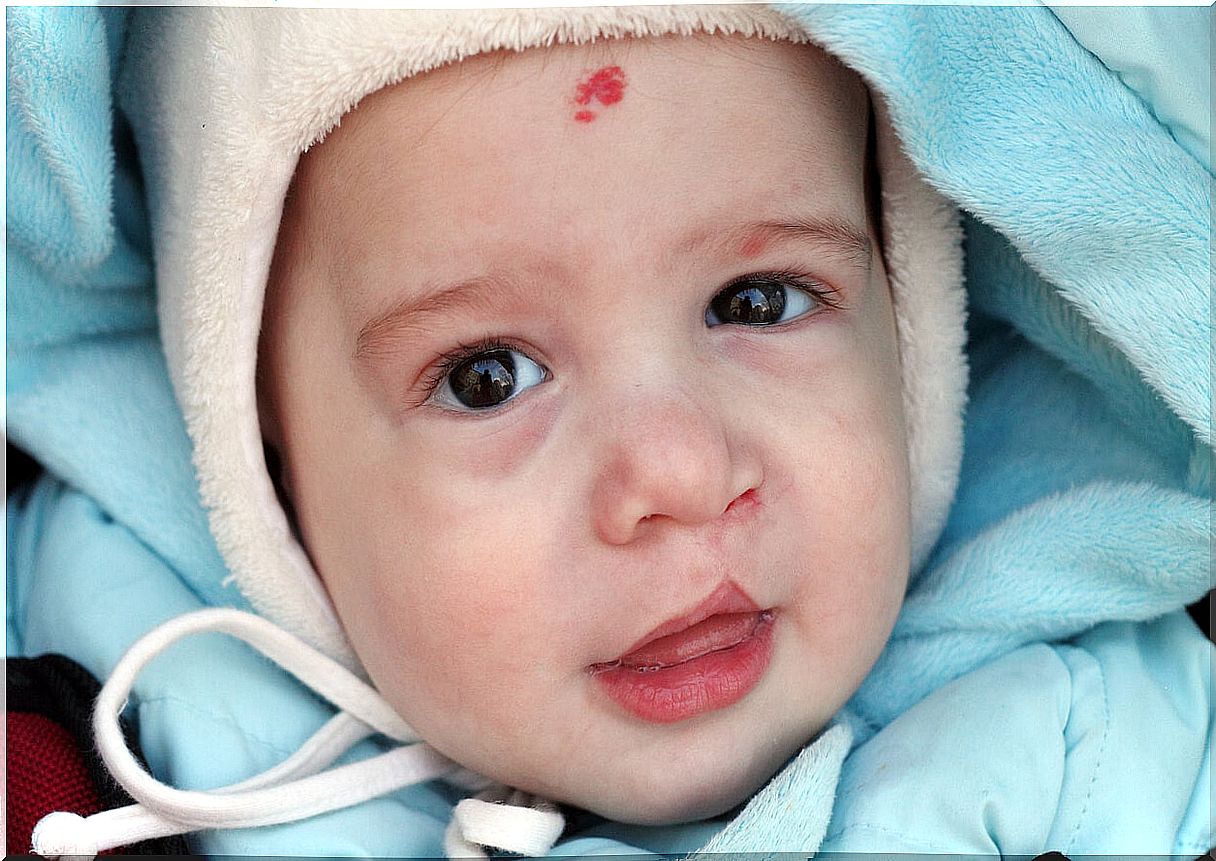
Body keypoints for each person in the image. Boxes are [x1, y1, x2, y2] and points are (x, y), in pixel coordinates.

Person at [7, 5, 1210, 858]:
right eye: (487, 377)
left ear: (910, 320)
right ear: (262, 450)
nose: (680, 476)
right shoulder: (66, 750)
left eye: (757, 301)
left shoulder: (1125, 757)